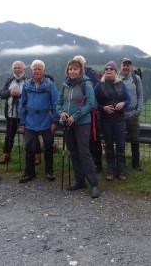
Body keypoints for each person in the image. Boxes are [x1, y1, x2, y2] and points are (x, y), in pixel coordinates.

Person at [56, 59, 100, 198]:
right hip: (68, 123)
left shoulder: (86, 83)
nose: (72, 71)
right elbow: (59, 102)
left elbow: (90, 104)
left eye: (75, 69)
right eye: (70, 69)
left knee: (84, 153)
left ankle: (94, 185)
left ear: (80, 70)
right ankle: (80, 181)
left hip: (82, 123)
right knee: (73, 152)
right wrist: (61, 112)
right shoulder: (65, 84)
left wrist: (75, 117)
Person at [18, 60, 59, 183]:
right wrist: (22, 122)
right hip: (30, 121)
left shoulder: (50, 85)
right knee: (29, 148)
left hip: (46, 120)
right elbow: (22, 104)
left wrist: (55, 121)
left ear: (43, 71)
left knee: (48, 147)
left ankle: (49, 171)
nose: (37, 71)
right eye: (35, 69)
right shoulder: (26, 85)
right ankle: (29, 173)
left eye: (39, 69)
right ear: (31, 71)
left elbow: (56, 104)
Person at [95, 61, 131, 181]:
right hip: (106, 121)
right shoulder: (99, 85)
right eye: (106, 69)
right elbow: (94, 102)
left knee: (120, 145)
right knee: (109, 146)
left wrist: (123, 103)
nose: (108, 70)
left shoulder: (121, 84)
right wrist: (103, 108)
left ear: (115, 72)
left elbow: (128, 99)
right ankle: (110, 170)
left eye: (111, 69)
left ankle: (120, 171)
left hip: (120, 120)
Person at [73, 55, 103, 172]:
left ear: (84, 64)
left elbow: (97, 87)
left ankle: (97, 163)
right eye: (76, 63)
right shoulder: (73, 75)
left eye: (80, 63)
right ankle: (85, 162)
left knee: (94, 137)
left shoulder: (91, 74)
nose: (78, 65)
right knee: (84, 138)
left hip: (91, 111)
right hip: (78, 110)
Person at [0, 61, 28, 165]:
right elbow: (1, 94)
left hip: (25, 114)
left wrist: (21, 94)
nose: (17, 70)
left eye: (19, 68)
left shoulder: (29, 81)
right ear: (13, 70)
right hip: (11, 113)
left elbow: (33, 94)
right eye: (15, 68)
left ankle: (35, 155)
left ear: (24, 69)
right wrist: (10, 93)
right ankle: (6, 154)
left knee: (30, 135)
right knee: (9, 136)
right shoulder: (9, 81)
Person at [118, 58, 144, 171]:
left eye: (128, 65)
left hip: (133, 114)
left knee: (135, 140)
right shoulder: (116, 78)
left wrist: (138, 111)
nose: (126, 67)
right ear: (121, 66)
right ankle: (121, 164)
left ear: (131, 67)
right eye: (124, 65)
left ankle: (136, 164)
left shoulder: (136, 78)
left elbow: (140, 95)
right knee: (120, 141)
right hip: (119, 115)